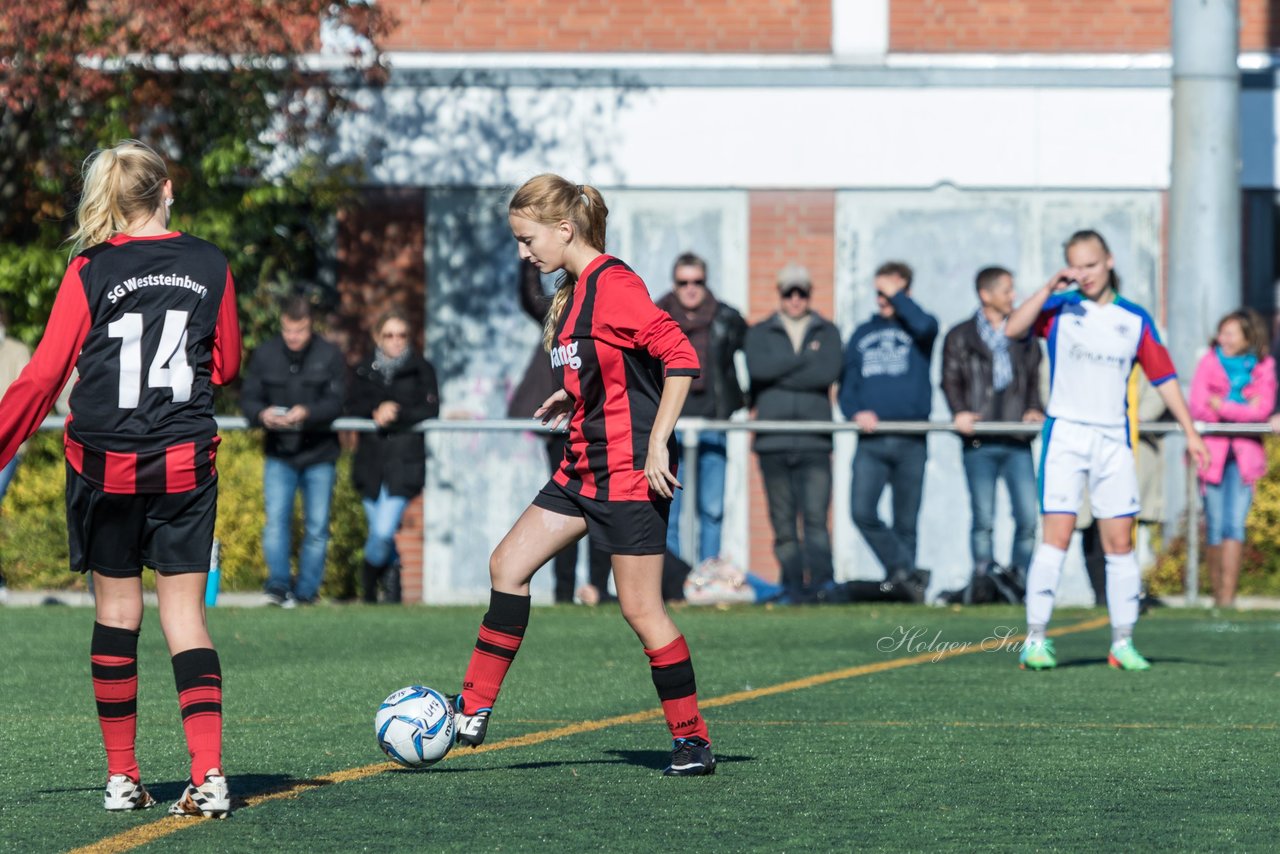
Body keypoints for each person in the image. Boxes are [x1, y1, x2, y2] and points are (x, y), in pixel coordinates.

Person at [0, 140, 240, 816]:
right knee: (186, 618)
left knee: (116, 615)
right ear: (168, 190)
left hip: (104, 462)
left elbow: (45, 376)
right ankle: (209, 775)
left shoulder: (90, 269)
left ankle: (123, 778)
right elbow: (225, 366)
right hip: (186, 461)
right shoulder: (209, 263)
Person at [448, 173, 715, 776]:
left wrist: (657, 442)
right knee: (506, 565)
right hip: (580, 466)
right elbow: (610, 366)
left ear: (563, 229)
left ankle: (692, 739)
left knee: (641, 611)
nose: (524, 252)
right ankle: (472, 708)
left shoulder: (614, 285)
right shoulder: (571, 292)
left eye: (527, 239)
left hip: (626, 474)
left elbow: (679, 358)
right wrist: (576, 398)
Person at [1004, 229, 1209, 671]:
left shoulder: (1133, 319)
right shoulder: (1058, 309)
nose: (1084, 274)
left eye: (1091, 264)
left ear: (1109, 261)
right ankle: (1036, 639)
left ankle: (1122, 642)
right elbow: (1013, 328)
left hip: (1113, 440)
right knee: (1055, 538)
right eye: (1076, 265)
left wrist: (1191, 432)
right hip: (1066, 437)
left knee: (1120, 543)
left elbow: (1164, 377)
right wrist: (1047, 288)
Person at [508, 262, 614, 604]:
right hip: (562, 429)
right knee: (564, 508)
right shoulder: (559, 310)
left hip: (599, 423)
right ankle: (563, 594)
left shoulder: (607, 311)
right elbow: (529, 295)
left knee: (600, 509)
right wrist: (527, 254)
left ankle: (597, 588)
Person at [941, 266, 1043, 602]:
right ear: (986, 294)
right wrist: (959, 411)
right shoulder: (960, 335)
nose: (1012, 297)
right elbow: (950, 378)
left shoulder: (1024, 335)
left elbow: (1033, 376)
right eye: (1006, 290)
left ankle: (1018, 580)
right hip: (980, 440)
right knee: (983, 517)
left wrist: (1034, 407)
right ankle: (984, 582)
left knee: (1028, 516)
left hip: (1016, 440)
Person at [838, 261, 939, 601]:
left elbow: (925, 326)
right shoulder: (862, 334)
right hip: (872, 441)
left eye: (890, 291)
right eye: (879, 292)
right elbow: (847, 387)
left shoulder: (921, 327)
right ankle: (909, 575)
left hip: (912, 439)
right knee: (862, 511)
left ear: (905, 292)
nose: (883, 298)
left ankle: (903, 587)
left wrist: (898, 297)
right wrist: (855, 412)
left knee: (905, 521)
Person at [743, 263, 842, 603]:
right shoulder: (760, 332)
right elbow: (758, 368)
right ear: (781, 295)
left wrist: (780, 369)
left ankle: (823, 584)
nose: (796, 299)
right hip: (773, 441)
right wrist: (803, 362)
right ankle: (793, 585)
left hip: (815, 440)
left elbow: (826, 372)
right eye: (790, 293)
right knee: (783, 523)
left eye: (802, 292)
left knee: (816, 519)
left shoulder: (826, 331)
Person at [240, 296, 346, 607]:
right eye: (288, 330)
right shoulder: (265, 354)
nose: (293, 337)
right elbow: (249, 399)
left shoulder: (329, 355)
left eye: (299, 330)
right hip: (279, 454)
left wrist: (308, 412)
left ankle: (306, 592)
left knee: (317, 527)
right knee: (276, 521)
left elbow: (337, 401)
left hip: (320, 455)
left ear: (310, 326)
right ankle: (278, 586)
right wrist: (262, 415)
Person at [655, 251, 747, 562]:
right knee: (670, 510)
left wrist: (749, 399)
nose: (691, 288)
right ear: (674, 284)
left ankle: (707, 577)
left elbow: (755, 358)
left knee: (712, 509)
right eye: (683, 282)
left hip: (713, 422)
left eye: (698, 281)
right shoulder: (656, 317)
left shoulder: (726, 317)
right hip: (669, 426)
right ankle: (675, 581)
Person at [348, 309, 439, 604]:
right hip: (370, 464)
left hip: (404, 462)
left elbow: (430, 409)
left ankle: (369, 586)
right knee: (379, 533)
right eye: (389, 335)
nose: (396, 341)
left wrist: (395, 413)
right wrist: (375, 410)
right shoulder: (363, 369)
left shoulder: (421, 368)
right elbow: (350, 404)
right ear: (378, 337)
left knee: (384, 531)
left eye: (402, 335)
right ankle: (392, 582)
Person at [1189, 308, 1275, 608]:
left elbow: (1261, 412)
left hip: (1244, 456)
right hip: (1212, 454)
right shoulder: (1208, 362)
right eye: (1221, 332)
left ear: (1247, 336)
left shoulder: (1263, 366)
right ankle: (1216, 597)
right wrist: (1240, 407)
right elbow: (1199, 407)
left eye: (1230, 333)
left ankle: (1228, 597)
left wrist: (1222, 405)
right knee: (1214, 522)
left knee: (1235, 524)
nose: (1223, 338)